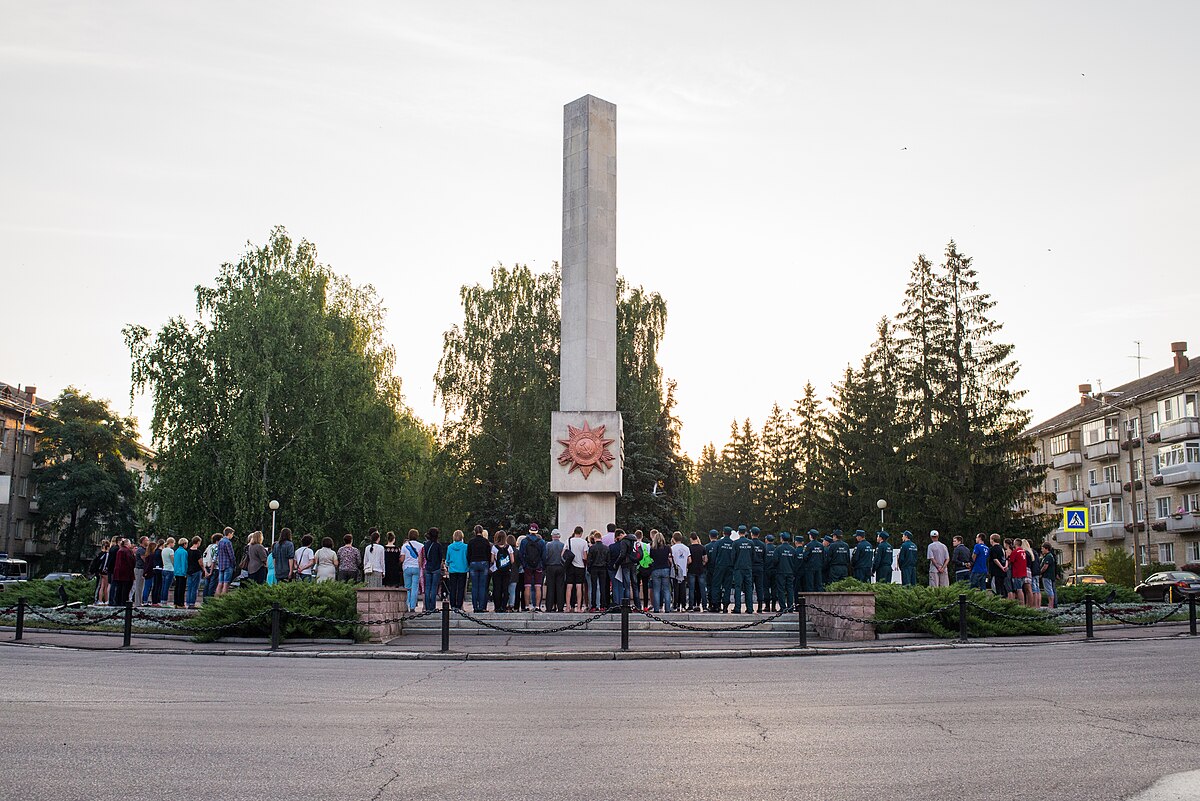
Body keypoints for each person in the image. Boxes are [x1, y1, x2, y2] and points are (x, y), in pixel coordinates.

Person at [520, 524, 546, 612]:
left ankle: (527, 606)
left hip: (527, 566)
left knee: (527, 586)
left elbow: (521, 555)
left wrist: (524, 565)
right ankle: (537, 606)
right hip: (538, 566)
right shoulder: (541, 542)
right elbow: (544, 556)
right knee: (538, 586)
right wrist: (542, 565)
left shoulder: (524, 541)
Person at [467, 525, 492, 612]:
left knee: (474, 586)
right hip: (483, 562)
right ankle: (481, 606)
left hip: (473, 562)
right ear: (482, 532)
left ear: (474, 532)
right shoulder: (485, 541)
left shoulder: (471, 542)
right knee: (482, 586)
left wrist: (469, 563)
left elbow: (468, 554)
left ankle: (475, 606)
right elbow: (489, 554)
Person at [729, 528, 755, 614]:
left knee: (738, 588)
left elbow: (733, 556)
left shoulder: (736, 543)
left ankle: (737, 608)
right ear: (745, 532)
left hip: (738, 568)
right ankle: (750, 608)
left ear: (739, 532)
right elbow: (753, 556)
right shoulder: (751, 543)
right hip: (748, 568)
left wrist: (735, 565)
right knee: (748, 588)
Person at [565, 526, 589, 612]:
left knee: (569, 586)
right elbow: (585, 556)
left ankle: (568, 607)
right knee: (579, 586)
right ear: (581, 533)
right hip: (580, 566)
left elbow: (562, 554)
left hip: (570, 566)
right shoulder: (584, 542)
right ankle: (578, 607)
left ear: (574, 532)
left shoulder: (568, 541)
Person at [543, 529, 567, 613]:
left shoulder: (548, 545)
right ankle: (560, 607)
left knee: (550, 587)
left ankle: (549, 607)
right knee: (560, 587)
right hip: (560, 567)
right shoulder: (563, 545)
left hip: (550, 567)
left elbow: (545, 556)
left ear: (552, 536)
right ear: (559, 536)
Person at [587, 529, 610, 610]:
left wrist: (589, 569)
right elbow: (608, 560)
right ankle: (602, 605)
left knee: (594, 587)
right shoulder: (606, 548)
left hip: (594, 568)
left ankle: (593, 606)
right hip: (603, 568)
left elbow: (589, 560)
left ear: (595, 538)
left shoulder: (592, 548)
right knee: (602, 587)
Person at [445, 530, 468, 610]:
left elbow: (447, 559)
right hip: (463, 569)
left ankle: (453, 605)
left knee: (453, 588)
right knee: (461, 588)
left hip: (453, 569)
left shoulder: (450, 547)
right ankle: (459, 605)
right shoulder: (465, 547)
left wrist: (447, 565)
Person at [713, 528, 734, 612]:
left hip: (719, 566)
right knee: (727, 587)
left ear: (723, 533)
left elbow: (714, 555)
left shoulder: (718, 542)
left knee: (716, 585)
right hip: (729, 567)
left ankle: (716, 605)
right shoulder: (733, 543)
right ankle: (725, 605)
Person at [422, 528, 443, 610]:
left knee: (427, 587)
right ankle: (432, 607)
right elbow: (440, 557)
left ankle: (427, 606)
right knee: (434, 588)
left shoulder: (426, 544)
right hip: (436, 567)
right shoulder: (438, 545)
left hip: (428, 567)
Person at [773, 533, 796, 610]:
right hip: (790, 571)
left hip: (781, 571)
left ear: (781, 539)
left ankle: (783, 607)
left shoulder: (778, 549)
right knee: (790, 589)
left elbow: (775, 560)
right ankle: (790, 607)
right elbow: (795, 561)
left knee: (781, 589)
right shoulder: (792, 549)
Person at [110, 538, 135, 606]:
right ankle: (123, 601)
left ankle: (117, 601)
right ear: (127, 544)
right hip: (125, 573)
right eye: (130, 543)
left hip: (119, 572)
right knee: (125, 588)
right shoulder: (126, 551)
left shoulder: (120, 550)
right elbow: (130, 561)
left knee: (119, 588)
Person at [493, 530, 513, 613]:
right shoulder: (509, 547)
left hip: (497, 570)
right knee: (505, 589)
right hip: (506, 571)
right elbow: (512, 560)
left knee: (497, 588)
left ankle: (497, 607)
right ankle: (503, 606)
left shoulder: (494, 547)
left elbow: (491, 560)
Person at [670, 531, 690, 612]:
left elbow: (671, 560)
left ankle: (676, 605)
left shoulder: (672, 548)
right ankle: (684, 605)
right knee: (683, 589)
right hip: (684, 571)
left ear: (673, 539)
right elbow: (689, 560)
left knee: (675, 589)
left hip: (675, 572)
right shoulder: (686, 548)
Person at [687, 532, 707, 612]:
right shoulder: (702, 548)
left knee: (691, 589)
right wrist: (702, 564)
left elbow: (689, 560)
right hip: (700, 570)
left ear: (691, 538)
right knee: (702, 589)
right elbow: (705, 559)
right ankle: (705, 606)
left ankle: (691, 606)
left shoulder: (689, 548)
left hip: (692, 570)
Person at [609, 529, 628, 607]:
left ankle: (616, 603)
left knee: (615, 586)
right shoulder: (624, 546)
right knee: (621, 585)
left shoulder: (611, 546)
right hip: (622, 567)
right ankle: (621, 603)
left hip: (612, 568)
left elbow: (609, 558)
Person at [748, 527, 766, 613]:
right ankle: (759, 607)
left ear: (751, 534)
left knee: (749, 588)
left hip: (751, 567)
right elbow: (765, 557)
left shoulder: (749, 543)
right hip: (760, 568)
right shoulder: (762, 545)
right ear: (758, 534)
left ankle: (750, 606)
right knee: (759, 588)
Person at [1006, 538, 1028, 605]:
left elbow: (1011, 560)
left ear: (1015, 544)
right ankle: (1022, 603)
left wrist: (1007, 558)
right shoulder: (1023, 551)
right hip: (1023, 572)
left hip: (1017, 573)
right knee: (1020, 589)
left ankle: (1021, 604)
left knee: (1019, 589)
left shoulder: (1016, 552)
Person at [216, 527, 236, 595]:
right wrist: (234, 564)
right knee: (226, 583)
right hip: (228, 565)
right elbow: (231, 555)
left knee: (220, 583)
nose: (232, 536)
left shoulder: (220, 542)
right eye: (232, 534)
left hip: (221, 565)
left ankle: (216, 600)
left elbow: (218, 554)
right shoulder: (228, 542)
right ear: (229, 533)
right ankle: (223, 600)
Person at [185, 537, 203, 608]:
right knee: (195, 588)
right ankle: (192, 603)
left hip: (189, 571)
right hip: (196, 570)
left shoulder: (188, 551)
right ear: (198, 542)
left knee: (189, 587)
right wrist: (204, 569)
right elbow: (200, 563)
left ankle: (188, 602)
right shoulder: (198, 552)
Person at [90, 540, 110, 605]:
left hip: (100, 571)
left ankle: (101, 600)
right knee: (103, 586)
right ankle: (100, 600)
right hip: (102, 572)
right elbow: (103, 563)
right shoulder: (105, 554)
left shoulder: (100, 554)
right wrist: (103, 570)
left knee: (102, 586)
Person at [1039, 542, 1058, 609]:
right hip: (1048, 576)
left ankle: (1051, 604)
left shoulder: (1048, 556)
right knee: (1050, 589)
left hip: (1047, 576)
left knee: (1049, 590)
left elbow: (1045, 566)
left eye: (1042, 548)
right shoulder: (1047, 556)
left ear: (1046, 549)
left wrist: (1040, 572)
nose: (1041, 550)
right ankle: (1051, 604)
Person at [1023, 539, 1041, 608]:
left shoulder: (1027, 552)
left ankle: (1033, 605)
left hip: (1031, 572)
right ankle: (1037, 605)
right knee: (1037, 589)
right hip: (1035, 572)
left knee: (1032, 589)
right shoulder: (1033, 552)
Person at [142, 540, 161, 605]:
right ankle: (145, 601)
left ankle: (144, 600)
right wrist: (146, 572)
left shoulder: (147, 555)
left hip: (147, 572)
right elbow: (150, 564)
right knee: (148, 587)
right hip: (150, 572)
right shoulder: (152, 555)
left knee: (146, 587)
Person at [506, 533, 520, 612]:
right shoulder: (517, 551)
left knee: (506, 589)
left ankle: (506, 604)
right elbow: (519, 562)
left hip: (507, 571)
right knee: (513, 590)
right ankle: (512, 605)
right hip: (515, 572)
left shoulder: (505, 549)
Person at [132, 536, 149, 607]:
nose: (148, 541)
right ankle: (137, 602)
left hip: (142, 569)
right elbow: (144, 559)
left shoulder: (145, 549)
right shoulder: (141, 550)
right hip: (139, 569)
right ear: (143, 541)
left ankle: (139, 601)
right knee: (138, 586)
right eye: (147, 540)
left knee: (141, 586)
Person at [159, 537, 176, 605]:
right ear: (171, 543)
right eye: (174, 543)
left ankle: (162, 600)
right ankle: (165, 601)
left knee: (163, 586)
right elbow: (173, 560)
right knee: (167, 586)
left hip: (164, 568)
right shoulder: (171, 551)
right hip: (170, 569)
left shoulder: (163, 550)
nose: (174, 544)